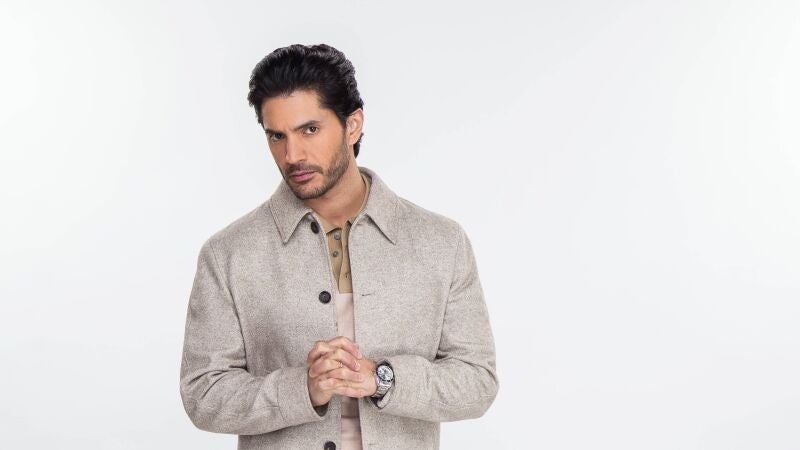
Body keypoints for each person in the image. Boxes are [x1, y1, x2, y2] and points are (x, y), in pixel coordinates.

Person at [179, 43, 499, 450]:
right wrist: (303, 389)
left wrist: (382, 379)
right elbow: (203, 393)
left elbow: (477, 380)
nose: (292, 155)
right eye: (276, 136)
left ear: (353, 125)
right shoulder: (228, 254)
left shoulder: (441, 243)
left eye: (309, 130)